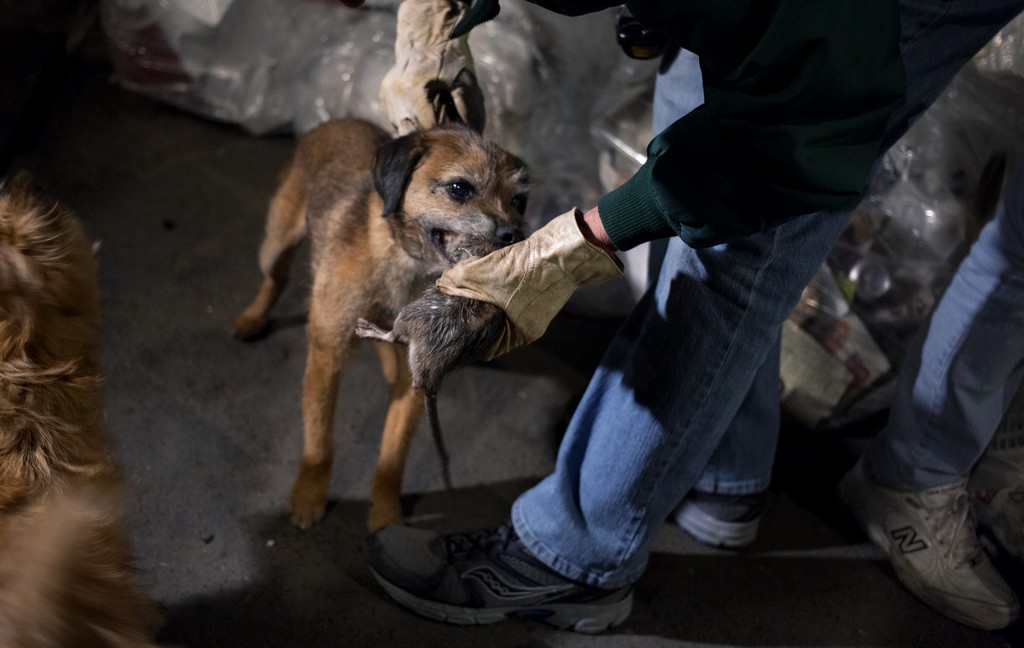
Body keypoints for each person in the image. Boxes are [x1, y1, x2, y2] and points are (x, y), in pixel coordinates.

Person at [360, 0, 1024, 633]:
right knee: (695, 110)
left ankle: (575, 558)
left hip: (866, 19)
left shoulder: (832, 29)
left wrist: (570, 247)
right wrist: (435, 23)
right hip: (790, 28)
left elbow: (774, 150)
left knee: (740, 247)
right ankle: (721, 475)